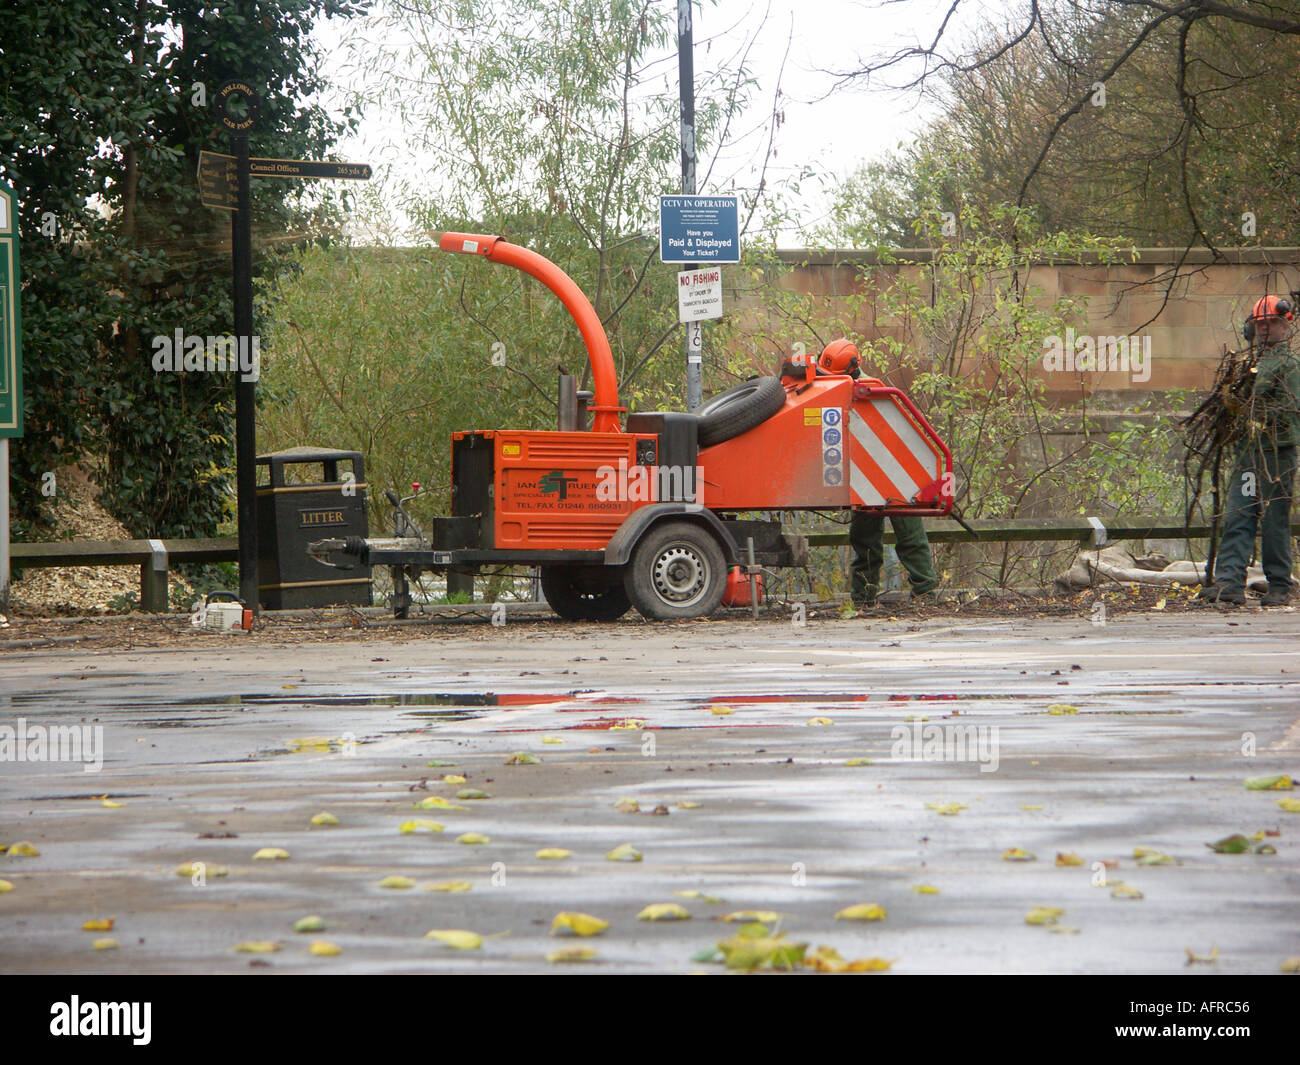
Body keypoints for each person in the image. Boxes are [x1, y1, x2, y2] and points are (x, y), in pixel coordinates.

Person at [1196, 294, 1299, 607]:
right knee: (1239, 514)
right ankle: (1229, 583)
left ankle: (1279, 585)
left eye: (1272, 323)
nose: (1266, 329)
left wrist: (1253, 410)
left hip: (1276, 454)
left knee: (1274, 520)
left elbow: (1292, 409)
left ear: (1285, 326)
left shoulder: (1291, 365)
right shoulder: (1248, 365)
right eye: (1260, 324)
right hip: (1248, 453)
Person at [849, 512, 939, 608]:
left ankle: (924, 596)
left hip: (904, 499)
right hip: (865, 499)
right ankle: (863, 598)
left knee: (911, 537)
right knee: (865, 541)